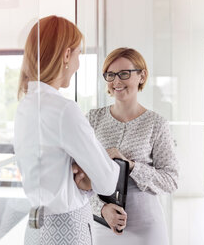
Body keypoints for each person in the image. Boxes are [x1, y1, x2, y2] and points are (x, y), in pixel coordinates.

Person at [13, 15, 121, 244]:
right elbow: (108, 180)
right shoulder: (64, 110)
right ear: (65, 55)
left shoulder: (25, 105)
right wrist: (91, 175)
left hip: (35, 229)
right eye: (78, 54)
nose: (78, 63)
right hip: (68, 230)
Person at [74, 47, 179, 245]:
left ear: (142, 75)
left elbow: (171, 180)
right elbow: (79, 177)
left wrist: (131, 165)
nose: (116, 82)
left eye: (124, 74)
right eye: (111, 75)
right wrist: (102, 209)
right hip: (103, 225)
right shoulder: (93, 119)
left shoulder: (156, 124)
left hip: (146, 227)